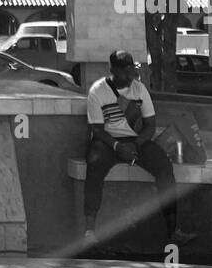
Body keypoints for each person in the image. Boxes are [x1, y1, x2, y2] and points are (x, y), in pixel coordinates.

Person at [82, 49, 196, 250]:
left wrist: (135, 144)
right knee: (94, 163)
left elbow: (150, 125)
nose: (129, 76)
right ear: (113, 70)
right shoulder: (97, 91)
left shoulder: (139, 89)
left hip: (136, 141)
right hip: (108, 141)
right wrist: (118, 146)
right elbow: (97, 130)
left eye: (131, 71)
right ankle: (89, 232)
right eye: (124, 72)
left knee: (163, 165)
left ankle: (173, 231)